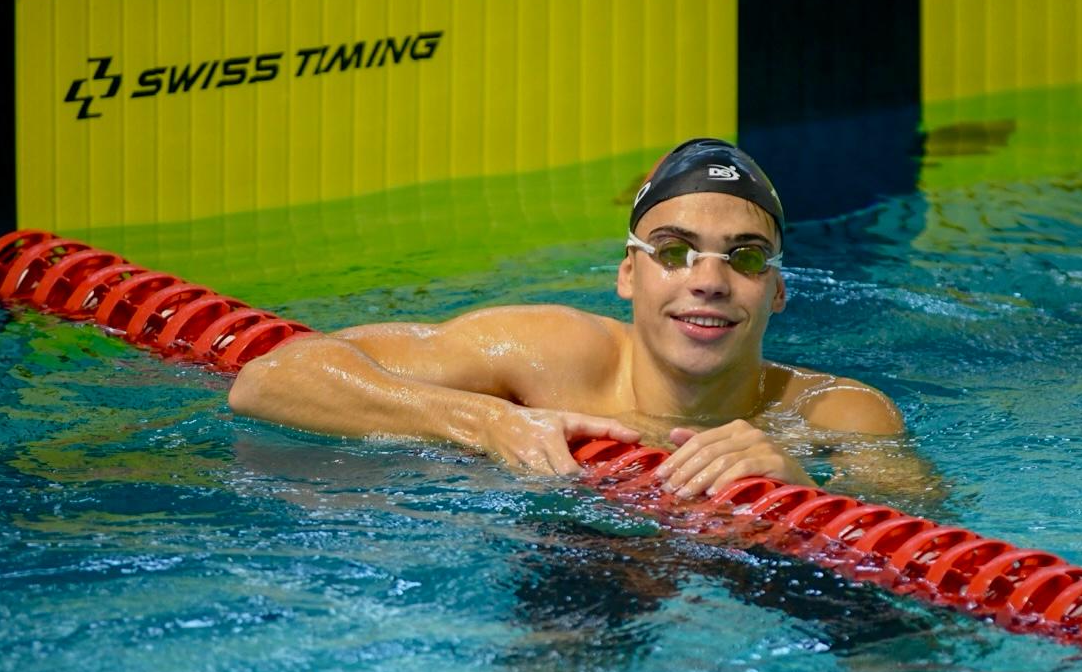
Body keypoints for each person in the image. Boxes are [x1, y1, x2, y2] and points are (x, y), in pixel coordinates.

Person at [229, 138, 908, 498]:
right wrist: (487, 421)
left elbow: (926, 531)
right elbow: (269, 379)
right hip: (580, 547)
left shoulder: (836, 416)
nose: (708, 281)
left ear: (778, 291)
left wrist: (803, 487)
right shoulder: (546, 355)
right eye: (673, 252)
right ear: (627, 274)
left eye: (747, 258)